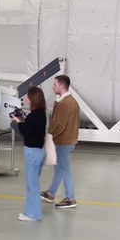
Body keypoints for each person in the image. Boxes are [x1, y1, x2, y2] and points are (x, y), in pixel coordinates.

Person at [40, 74, 80, 209]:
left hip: (63, 142)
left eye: (55, 84)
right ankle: (50, 193)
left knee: (64, 169)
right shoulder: (71, 101)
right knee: (59, 169)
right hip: (67, 140)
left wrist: (49, 136)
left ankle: (70, 198)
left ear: (62, 86)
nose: (53, 87)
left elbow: (60, 125)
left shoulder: (65, 104)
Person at [11, 86, 47, 221]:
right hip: (38, 152)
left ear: (33, 99)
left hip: (32, 152)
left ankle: (33, 214)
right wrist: (25, 120)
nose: (26, 98)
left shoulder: (34, 115)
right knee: (33, 184)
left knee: (32, 186)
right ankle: (29, 212)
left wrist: (19, 121)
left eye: (28, 96)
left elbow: (26, 132)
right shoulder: (41, 114)